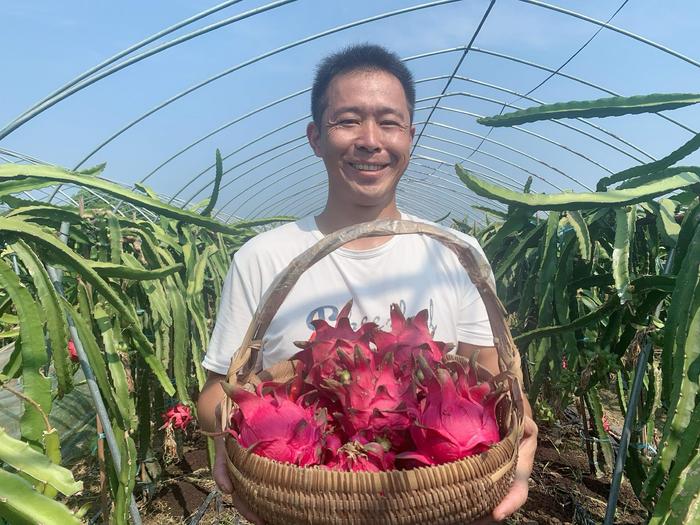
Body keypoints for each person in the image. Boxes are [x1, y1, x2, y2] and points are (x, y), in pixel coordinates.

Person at [198, 43, 537, 524]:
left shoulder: (456, 253)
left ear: (411, 137)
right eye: (348, 120)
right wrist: (231, 439)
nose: (370, 140)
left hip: (438, 503)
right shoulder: (263, 257)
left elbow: (492, 372)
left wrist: (522, 436)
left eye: (389, 122)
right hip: (304, 504)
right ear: (315, 137)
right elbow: (215, 396)